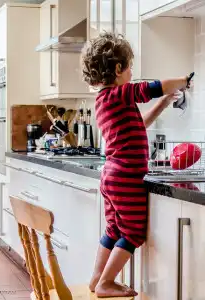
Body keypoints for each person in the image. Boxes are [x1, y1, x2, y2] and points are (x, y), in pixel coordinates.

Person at [81, 32, 192, 298]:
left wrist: (164, 104)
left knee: (114, 229)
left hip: (111, 175)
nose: (132, 73)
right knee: (132, 233)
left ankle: (97, 278)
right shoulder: (121, 94)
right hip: (126, 176)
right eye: (129, 66)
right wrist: (184, 80)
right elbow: (152, 87)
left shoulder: (105, 100)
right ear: (118, 69)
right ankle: (107, 282)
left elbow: (140, 124)